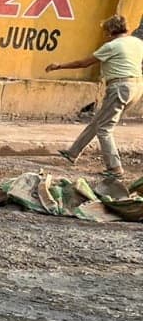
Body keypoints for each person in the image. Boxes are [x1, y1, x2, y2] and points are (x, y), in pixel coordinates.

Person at [46, 13, 143, 196]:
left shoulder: (112, 46)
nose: (105, 35)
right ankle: (73, 153)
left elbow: (83, 63)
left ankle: (115, 168)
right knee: (99, 121)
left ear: (110, 31)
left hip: (120, 87)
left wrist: (59, 66)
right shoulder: (137, 43)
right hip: (136, 87)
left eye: (106, 31)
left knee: (104, 129)